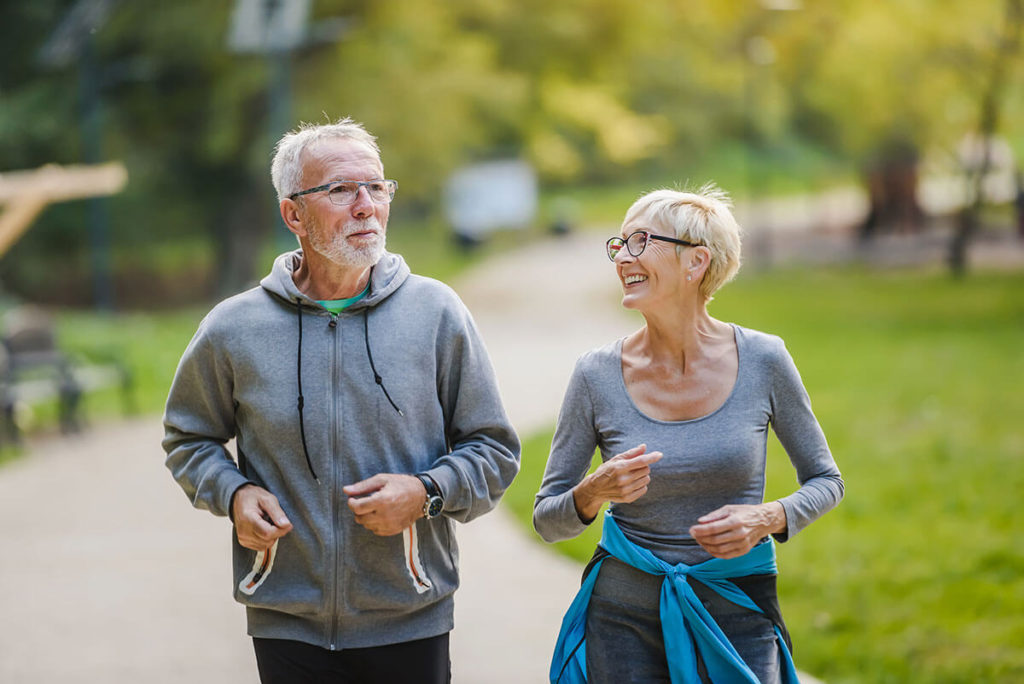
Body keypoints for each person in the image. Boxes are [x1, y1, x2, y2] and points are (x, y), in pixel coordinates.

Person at [162, 118, 520, 684]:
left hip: (410, 616)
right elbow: (188, 437)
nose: (365, 206)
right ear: (293, 215)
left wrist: (426, 493)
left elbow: (494, 450)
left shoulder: (436, 313)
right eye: (340, 189)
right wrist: (233, 495)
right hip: (287, 619)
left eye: (376, 187)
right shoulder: (234, 327)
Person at [534, 186, 844, 683]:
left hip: (737, 613)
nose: (622, 258)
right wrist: (593, 491)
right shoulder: (595, 374)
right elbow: (549, 521)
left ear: (695, 262)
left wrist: (767, 517)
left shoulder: (764, 360)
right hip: (621, 622)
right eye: (619, 244)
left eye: (640, 242)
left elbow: (827, 481)